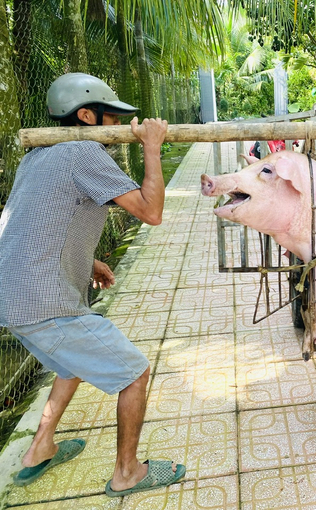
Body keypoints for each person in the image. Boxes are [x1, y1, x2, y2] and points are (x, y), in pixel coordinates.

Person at [0, 72, 185, 496]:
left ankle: (39, 448)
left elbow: (37, 224)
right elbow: (151, 211)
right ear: (86, 115)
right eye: (112, 117)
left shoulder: (40, 154)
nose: (120, 127)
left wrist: (90, 262)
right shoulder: (84, 150)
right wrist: (151, 147)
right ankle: (127, 473)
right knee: (134, 374)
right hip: (44, 304)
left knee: (70, 368)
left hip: (12, 298)